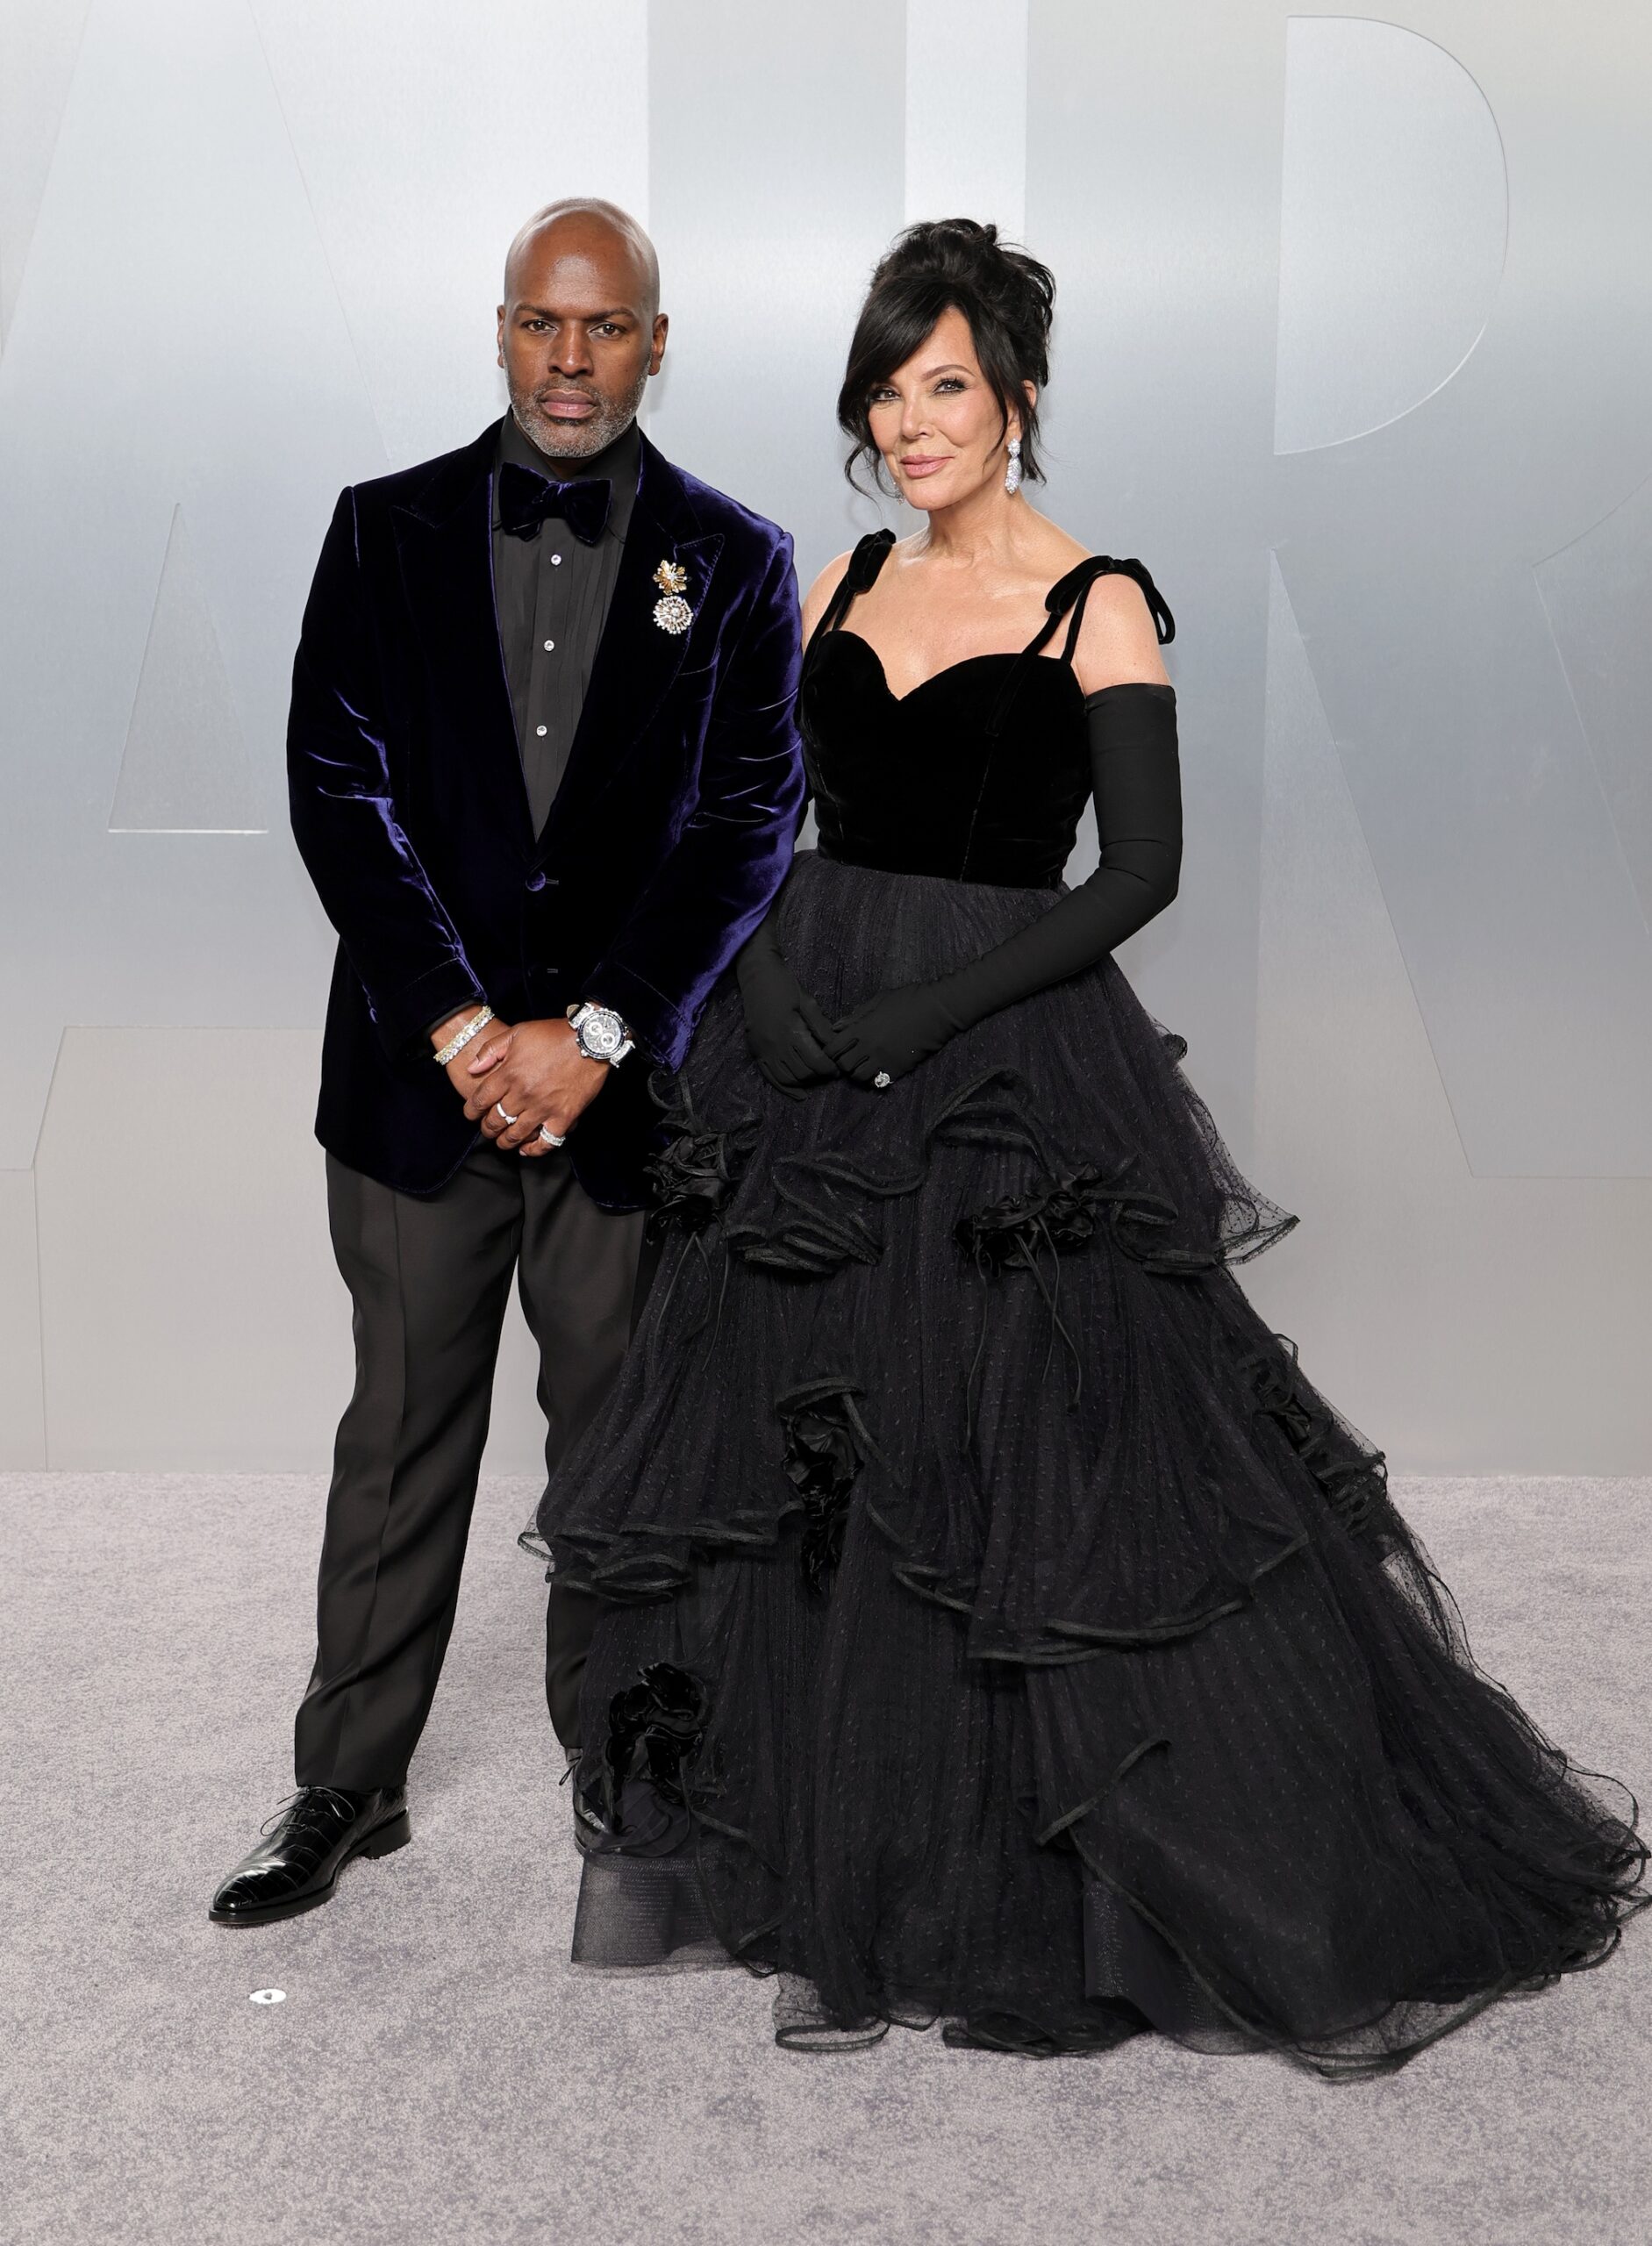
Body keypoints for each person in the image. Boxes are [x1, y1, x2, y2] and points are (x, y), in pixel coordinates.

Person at [528, 218, 1646, 2072]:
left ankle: (1017, 1889)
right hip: (799, 1036)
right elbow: (748, 808)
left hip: (994, 1056)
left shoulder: (1094, 600)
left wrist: (912, 1021)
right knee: (812, 1459)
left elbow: (1141, 870)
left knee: (1015, 1461)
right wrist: (765, 977)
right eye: (885, 388)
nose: (911, 420)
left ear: (1019, 397)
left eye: (945, 382)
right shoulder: (843, 581)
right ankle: (825, 1869)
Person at [209, 200, 805, 1927]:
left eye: (605, 326)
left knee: (621, 1441)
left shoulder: (742, 557)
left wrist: (599, 1032)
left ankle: (630, 1778)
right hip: (419, 1090)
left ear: (655, 342)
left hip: (624, 1096)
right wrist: (469, 1029)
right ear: (501, 331)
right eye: (544, 324)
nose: (570, 357)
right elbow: (338, 782)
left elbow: (752, 815)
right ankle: (345, 1783)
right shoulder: (380, 529)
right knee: (399, 1429)